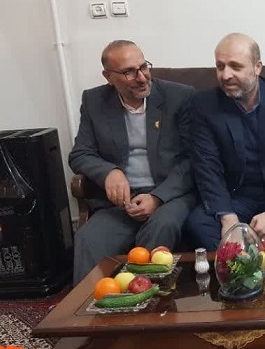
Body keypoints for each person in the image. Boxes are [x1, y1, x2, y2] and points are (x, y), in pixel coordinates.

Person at [69, 40, 196, 284]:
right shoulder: (95, 101)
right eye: (129, 72)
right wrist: (109, 172)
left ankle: (142, 298)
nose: (141, 77)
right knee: (87, 238)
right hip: (120, 204)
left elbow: (194, 159)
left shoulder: (179, 97)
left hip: (169, 196)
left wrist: (157, 197)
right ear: (109, 77)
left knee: (162, 226)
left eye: (143, 67)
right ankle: (88, 305)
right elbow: (80, 153)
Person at [184, 33, 265, 250]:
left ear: (257, 67)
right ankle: (241, 271)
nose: (225, 75)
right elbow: (206, 166)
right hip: (235, 197)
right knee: (199, 225)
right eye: (220, 66)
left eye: (235, 67)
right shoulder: (204, 105)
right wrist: (228, 219)